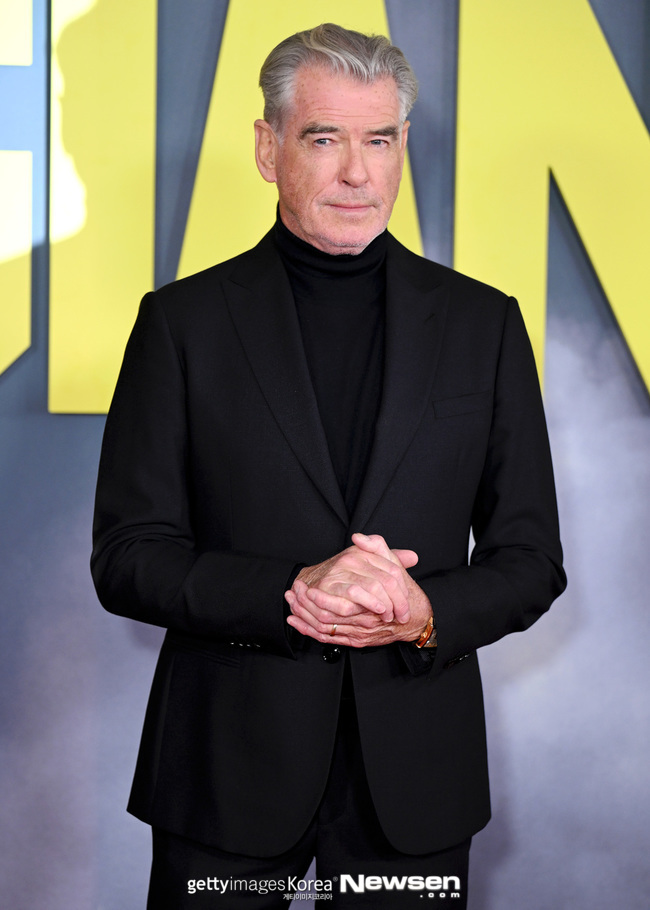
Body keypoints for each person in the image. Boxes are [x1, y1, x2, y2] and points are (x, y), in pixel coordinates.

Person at [91, 23, 566, 909]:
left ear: (403, 146)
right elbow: (127, 556)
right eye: (323, 139)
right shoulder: (182, 325)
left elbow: (531, 560)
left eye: (378, 140)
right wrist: (292, 591)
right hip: (226, 769)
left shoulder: (484, 325)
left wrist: (425, 613)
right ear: (268, 148)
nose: (357, 172)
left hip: (416, 773)